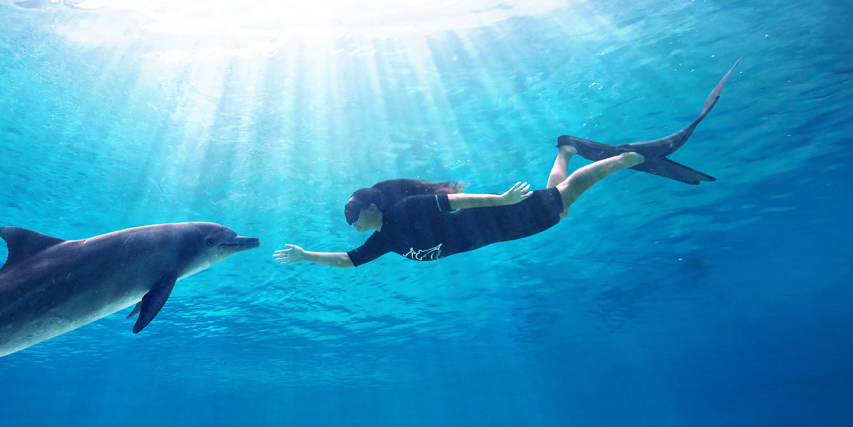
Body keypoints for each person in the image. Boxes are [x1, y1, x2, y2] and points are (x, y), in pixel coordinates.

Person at [273, 143, 645, 268]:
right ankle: (565, 150)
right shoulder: (384, 240)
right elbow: (347, 260)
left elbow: (454, 200)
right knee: (558, 210)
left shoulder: (404, 210)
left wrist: (501, 200)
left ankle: (622, 160)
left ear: (372, 208)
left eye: (352, 214)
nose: (350, 222)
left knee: (565, 198)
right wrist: (306, 255)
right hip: (498, 233)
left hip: (497, 216)